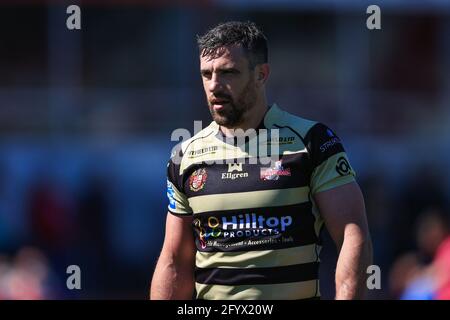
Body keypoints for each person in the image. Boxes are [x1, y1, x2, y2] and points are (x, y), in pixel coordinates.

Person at [150, 21, 372, 300]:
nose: (214, 85)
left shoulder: (313, 141)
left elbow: (353, 234)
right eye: (206, 74)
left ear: (261, 74)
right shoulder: (184, 156)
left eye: (228, 72)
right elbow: (174, 260)